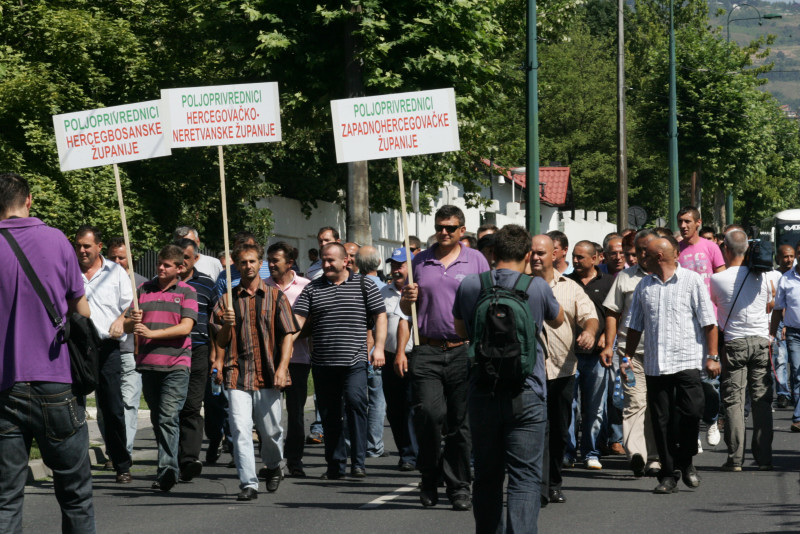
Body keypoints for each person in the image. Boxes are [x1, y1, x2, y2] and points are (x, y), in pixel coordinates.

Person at [0, 172, 95, 533]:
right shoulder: (57, 240)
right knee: (75, 496)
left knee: (6, 498)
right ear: (28, 201)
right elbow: (80, 310)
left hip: (5, 385)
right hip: (55, 380)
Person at [454, 224, 563, 534]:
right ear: (527, 254)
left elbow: (461, 332)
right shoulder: (538, 287)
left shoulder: (471, 286)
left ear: (492, 253)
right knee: (524, 477)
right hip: (526, 389)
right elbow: (557, 319)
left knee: (487, 474)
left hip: (483, 389)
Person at [400, 205, 490, 511]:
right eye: (441, 226)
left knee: (459, 423)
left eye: (451, 227)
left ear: (462, 230)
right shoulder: (420, 260)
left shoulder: (476, 260)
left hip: (463, 350)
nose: (445, 232)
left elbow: (488, 301)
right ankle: (428, 476)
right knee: (427, 414)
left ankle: (459, 486)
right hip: (426, 349)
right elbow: (405, 310)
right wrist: (405, 298)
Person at [622, 238, 720, 494]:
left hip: (687, 360)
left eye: (647, 253)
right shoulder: (644, 285)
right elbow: (634, 325)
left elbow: (709, 322)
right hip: (655, 365)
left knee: (692, 412)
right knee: (661, 422)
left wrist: (713, 356)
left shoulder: (691, 280)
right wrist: (627, 357)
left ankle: (685, 460)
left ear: (660, 256)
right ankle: (668, 475)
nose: (642, 256)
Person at [210, 242, 298, 500]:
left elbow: (289, 335)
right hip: (237, 373)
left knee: (271, 431)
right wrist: (226, 325)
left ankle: (273, 467)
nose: (247, 266)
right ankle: (248, 483)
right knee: (239, 428)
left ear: (260, 263)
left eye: (252, 261)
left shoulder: (275, 296)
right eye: (242, 262)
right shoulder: (226, 300)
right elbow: (221, 340)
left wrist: (283, 368)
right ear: (235, 266)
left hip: (268, 374)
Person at [294, 242, 387, 479]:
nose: (325, 264)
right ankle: (335, 465)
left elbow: (380, 315)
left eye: (330, 260)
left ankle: (358, 462)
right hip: (323, 363)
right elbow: (297, 321)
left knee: (356, 404)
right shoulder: (313, 289)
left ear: (346, 261)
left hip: (354, 361)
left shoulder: (364, 284)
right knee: (329, 414)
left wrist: (379, 348)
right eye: (323, 260)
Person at [530, 234, 597, 504]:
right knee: (533, 431)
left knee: (558, 431)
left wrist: (590, 333)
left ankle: (554, 481)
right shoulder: (519, 285)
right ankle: (534, 484)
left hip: (562, 370)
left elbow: (589, 316)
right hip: (528, 373)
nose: (535, 257)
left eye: (541, 253)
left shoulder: (570, 287)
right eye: (531, 252)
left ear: (554, 255)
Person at [124, 244, 197, 492]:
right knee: (158, 419)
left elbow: (186, 327)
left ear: (180, 267)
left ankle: (167, 471)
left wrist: (153, 333)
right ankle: (170, 466)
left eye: (167, 265)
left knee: (168, 417)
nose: (161, 268)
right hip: (148, 365)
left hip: (176, 364)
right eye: (159, 263)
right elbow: (125, 325)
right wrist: (129, 321)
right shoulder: (143, 290)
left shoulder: (187, 292)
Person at [74, 226, 133, 484]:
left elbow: (131, 308)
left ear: (99, 247)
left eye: (87, 246)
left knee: (112, 407)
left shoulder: (116, 272)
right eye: (78, 245)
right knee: (74, 407)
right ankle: (75, 463)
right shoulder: (69, 271)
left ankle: (121, 463)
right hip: (76, 347)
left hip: (107, 347)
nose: (82, 250)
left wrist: (121, 320)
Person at [710, 229, 773, 471]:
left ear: (725, 249)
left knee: (734, 401)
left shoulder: (717, 280)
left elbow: (716, 305)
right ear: (748, 248)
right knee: (762, 400)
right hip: (760, 342)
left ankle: (735, 458)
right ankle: (764, 458)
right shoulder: (764, 277)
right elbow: (771, 301)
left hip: (734, 344)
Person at [601, 229, 661, 477]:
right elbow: (612, 312)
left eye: (646, 250)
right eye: (638, 251)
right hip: (630, 353)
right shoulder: (624, 278)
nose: (641, 255)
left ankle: (655, 457)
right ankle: (636, 453)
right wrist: (609, 345)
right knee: (634, 402)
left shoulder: (669, 276)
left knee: (656, 406)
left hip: (662, 355)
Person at [676, 206, 725, 448]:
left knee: (710, 381)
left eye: (687, 221)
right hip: (685, 321)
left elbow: (721, 280)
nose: (683, 226)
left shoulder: (711, 247)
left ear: (698, 223)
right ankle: (691, 429)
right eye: (680, 222)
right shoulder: (677, 250)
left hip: (710, 322)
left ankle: (712, 420)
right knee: (688, 380)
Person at [567, 240, 616, 469]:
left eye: (581, 257)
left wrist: (608, 339)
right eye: (574, 257)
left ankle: (591, 451)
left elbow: (613, 315)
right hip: (570, 355)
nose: (576, 261)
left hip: (597, 356)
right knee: (569, 406)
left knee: (595, 407)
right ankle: (568, 451)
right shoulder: (566, 282)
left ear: (596, 258)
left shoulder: (608, 282)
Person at [264, 241, 311, 477]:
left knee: (295, 412)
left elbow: (312, 322)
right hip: (268, 360)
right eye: (269, 260)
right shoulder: (263, 287)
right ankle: (271, 459)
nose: (270, 264)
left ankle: (295, 459)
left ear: (290, 263)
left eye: (275, 261)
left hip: (298, 359)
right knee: (268, 412)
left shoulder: (305, 287)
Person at [174, 238, 218, 482]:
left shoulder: (207, 284)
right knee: (169, 408)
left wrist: (215, 352)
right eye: (178, 258)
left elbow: (214, 319)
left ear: (195, 259)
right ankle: (169, 458)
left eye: (187, 258)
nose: (182, 263)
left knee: (191, 406)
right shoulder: (161, 284)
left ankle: (189, 459)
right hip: (168, 351)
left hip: (198, 349)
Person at [106, 236, 148, 455]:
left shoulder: (141, 284)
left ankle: (124, 451)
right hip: (105, 350)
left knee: (129, 402)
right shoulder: (98, 281)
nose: (117, 261)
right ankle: (113, 447)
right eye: (112, 257)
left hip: (131, 352)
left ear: (130, 258)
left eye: (121, 257)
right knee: (108, 404)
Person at [381, 248, 418, 471]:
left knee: (415, 405)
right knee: (395, 408)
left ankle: (417, 452)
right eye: (393, 264)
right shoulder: (382, 292)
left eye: (401, 264)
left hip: (416, 355)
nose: (396, 269)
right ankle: (406, 453)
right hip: (389, 356)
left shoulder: (418, 291)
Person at [355, 246, 388, 458]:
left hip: (355, 350)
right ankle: (374, 444)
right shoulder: (384, 289)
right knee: (377, 398)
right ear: (378, 262)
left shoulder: (352, 285)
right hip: (377, 349)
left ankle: (354, 444)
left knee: (355, 399)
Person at [771, 241, 800, 432]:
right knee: (797, 373)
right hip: (794, 333)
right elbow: (778, 309)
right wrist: (771, 334)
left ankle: (798, 416)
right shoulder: (786, 279)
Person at [769, 244, 795, 408]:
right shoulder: (776, 276)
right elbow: (777, 304)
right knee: (781, 359)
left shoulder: (795, 274)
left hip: (793, 323)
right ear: (778, 258)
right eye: (785, 256)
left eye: (792, 256)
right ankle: (783, 393)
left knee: (795, 362)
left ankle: (794, 392)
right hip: (780, 324)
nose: (789, 260)